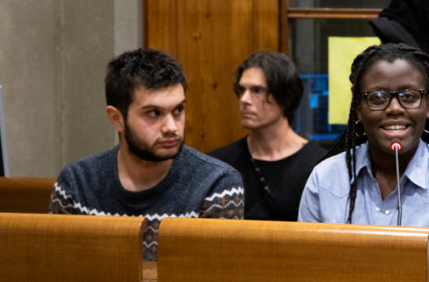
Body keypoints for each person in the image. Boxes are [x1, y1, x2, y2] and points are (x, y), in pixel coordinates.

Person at [49, 48, 244, 261]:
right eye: (153, 113)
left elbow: (211, 276)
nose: (171, 127)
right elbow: (60, 271)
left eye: (178, 110)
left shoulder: (216, 183)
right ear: (116, 119)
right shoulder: (77, 183)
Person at [298, 43, 429, 235]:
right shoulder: (324, 180)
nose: (394, 108)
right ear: (359, 109)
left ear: (428, 106)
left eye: (409, 96)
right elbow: (306, 257)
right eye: (378, 97)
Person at [210, 52, 326, 221]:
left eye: (257, 90)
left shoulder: (319, 165)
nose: (244, 99)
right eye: (242, 90)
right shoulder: (219, 164)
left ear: (285, 97)